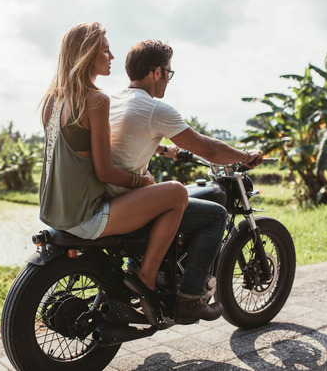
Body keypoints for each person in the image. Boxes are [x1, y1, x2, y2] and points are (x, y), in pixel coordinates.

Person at [39, 23, 188, 325]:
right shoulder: (97, 100)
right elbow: (104, 170)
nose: (111, 55)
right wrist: (141, 180)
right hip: (86, 216)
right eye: (105, 49)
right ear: (87, 54)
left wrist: (162, 150)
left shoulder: (52, 100)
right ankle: (145, 277)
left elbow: (89, 144)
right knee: (176, 193)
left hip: (55, 213)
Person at [107, 39, 263, 324]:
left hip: (109, 199)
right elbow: (211, 149)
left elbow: (127, 135)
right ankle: (190, 299)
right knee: (215, 215)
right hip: (125, 203)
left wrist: (166, 150)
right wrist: (245, 155)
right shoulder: (157, 109)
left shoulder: (113, 101)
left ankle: (143, 272)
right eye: (169, 72)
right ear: (157, 73)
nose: (168, 79)